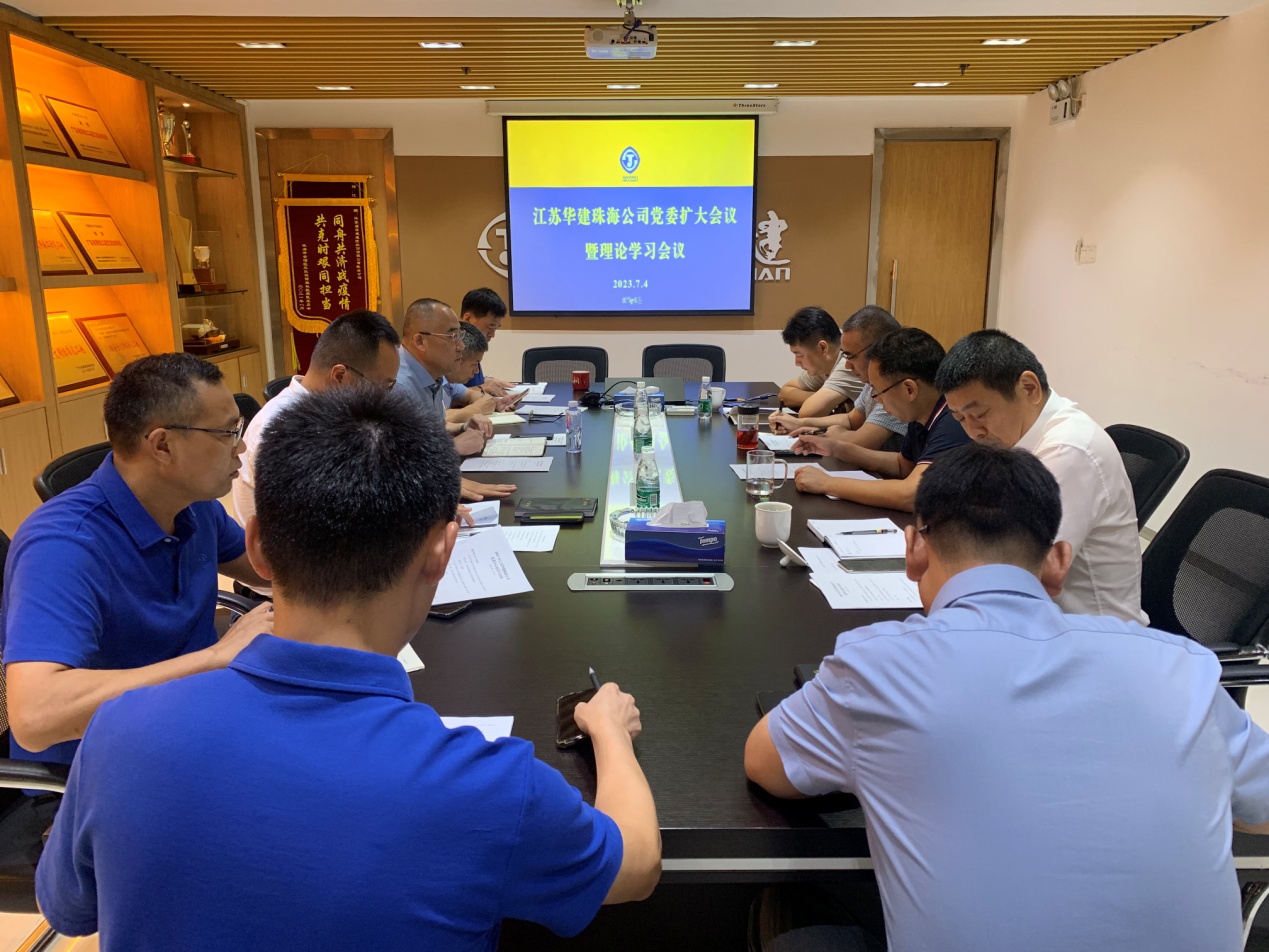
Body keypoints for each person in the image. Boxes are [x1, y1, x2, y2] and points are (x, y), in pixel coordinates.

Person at [36, 386, 662, 950]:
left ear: (257, 546)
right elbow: (634, 867)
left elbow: (68, 909)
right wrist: (607, 731)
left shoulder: (117, 731)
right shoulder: (490, 786)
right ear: (441, 553)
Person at [745, 442, 1269, 952]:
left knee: (788, 901)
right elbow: (1261, 811)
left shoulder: (877, 667)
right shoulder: (1182, 668)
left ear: (915, 550)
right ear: (1059, 561)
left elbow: (767, 764)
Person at [0, 354, 273, 766]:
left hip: (192, 718)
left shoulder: (192, 505)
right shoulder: (63, 545)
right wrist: (215, 658)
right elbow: (35, 717)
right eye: (228, 433)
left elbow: (266, 569)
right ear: (162, 445)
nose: (242, 447)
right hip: (110, 761)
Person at [936, 329, 1147, 624]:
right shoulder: (1018, 440)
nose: (973, 431)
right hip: (1043, 620)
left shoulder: (1069, 450)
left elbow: (1021, 570)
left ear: (1029, 388)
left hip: (1091, 634)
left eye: (980, 414)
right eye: (960, 419)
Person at [231, 309, 401, 598]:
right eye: (383, 387)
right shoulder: (285, 428)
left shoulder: (330, 413)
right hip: (292, 594)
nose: (384, 399)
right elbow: (321, 536)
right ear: (340, 376)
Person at [791, 327, 970, 512]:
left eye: (878, 392)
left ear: (909, 389)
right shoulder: (922, 414)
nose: (877, 401)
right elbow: (902, 465)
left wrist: (827, 483)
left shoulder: (954, 421)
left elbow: (912, 494)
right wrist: (837, 448)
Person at [396, 297, 516, 501]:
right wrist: (452, 448)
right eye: (452, 337)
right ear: (420, 341)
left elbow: (429, 431)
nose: (461, 346)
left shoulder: (432, 375)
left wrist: (463, 427)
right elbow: (395, 466)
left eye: (459, 336)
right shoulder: (398, 386)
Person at [769, 306, 906, 451]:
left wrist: (833, 435)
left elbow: (863, 442)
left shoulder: (895, 387)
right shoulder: (871, 384)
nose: (847, 364)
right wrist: (799, 424)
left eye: (851, 356)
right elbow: (850, 420)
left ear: (878, 352)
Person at [775, 306, 864, 414]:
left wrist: (820, 400)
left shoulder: (847, 365)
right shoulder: (825, 366)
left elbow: (808, 413)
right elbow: (784, 393)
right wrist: (820, 397)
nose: (797, 363)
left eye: (799, 355)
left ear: (822, 348)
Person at [460, 286, 515, 397]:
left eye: (496, 328)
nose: (492, 335)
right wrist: (481, 388)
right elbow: (447, 395)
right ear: (468, 319)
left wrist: (487, 381)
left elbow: (469, 384)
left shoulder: (473, 347)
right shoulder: (453, 350)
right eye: (490, 327)